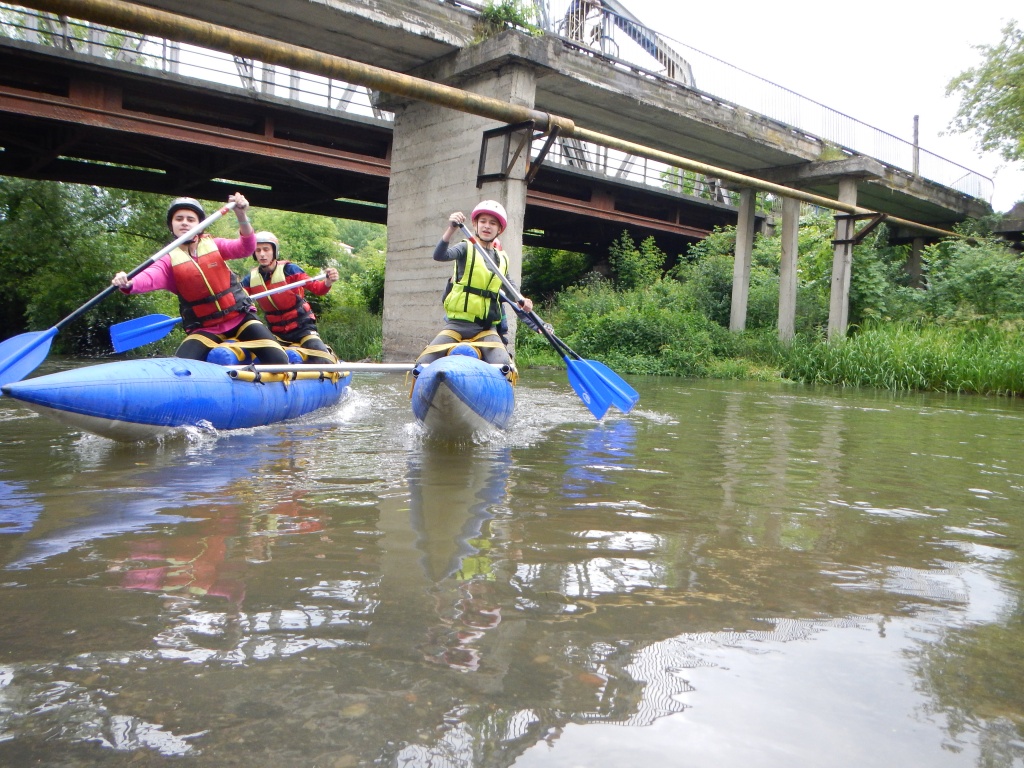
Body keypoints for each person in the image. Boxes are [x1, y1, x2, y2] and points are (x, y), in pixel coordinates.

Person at [112, 194, 290, 365]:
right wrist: (129, 282)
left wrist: (241, 215)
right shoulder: (167, 260)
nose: (184, 223)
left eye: (190, 219)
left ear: (200, 224)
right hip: (205, 328)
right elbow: (149, 276)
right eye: (179, 219)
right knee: (182, 367)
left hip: (240, 319)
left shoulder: (215, 245)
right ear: (171, 225)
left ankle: (244, 358)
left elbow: (246, 247)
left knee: (279, 359)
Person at [417, 200, 533, 370]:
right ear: (475, 225)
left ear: (499, 229)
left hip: (486, 329)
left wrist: (522, 299)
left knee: (504, 366)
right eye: (483, 221)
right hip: (456, 326)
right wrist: (451, 228)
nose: (487, 226)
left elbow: (509, 285)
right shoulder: (465, 247)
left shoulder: (502, 258)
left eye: (493, 223)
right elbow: (439, 255)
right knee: (421, 365)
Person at [241, 231, 340, 364]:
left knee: (322, 359)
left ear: (274, 251)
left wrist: (328, 281)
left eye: (266, 249)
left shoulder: (290, 270)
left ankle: (327, 357)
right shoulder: (250, 280)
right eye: (258, 250)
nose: (262, 254)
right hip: (276, 333)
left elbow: (318, 288)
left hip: (302, 329)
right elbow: (238, 298)